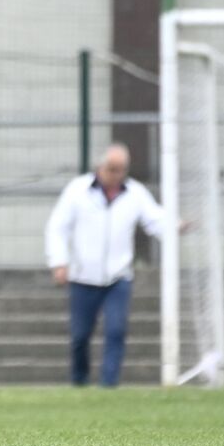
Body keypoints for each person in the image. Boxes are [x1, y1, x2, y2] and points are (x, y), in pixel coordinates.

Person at [45, 143, 165, 387]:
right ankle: (79, 381)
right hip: (82, 277)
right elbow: (57, 227)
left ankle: (108, 385)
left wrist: (175, 226)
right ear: (100, 168)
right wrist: (59, 262)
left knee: (116, 330)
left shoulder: (135, 193)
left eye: (121, 170)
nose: (116, 175)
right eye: (112, 169)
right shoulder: (77, 190)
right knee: (80, 336)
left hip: (118, 277)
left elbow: (155, 220)